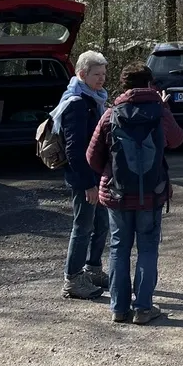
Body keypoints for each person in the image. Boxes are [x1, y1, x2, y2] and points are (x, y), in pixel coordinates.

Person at [86, 63, 183, 325]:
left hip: (117, 194)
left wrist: (109, 172)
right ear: (151, 84)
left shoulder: (111, 114)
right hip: (152, 194)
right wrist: (164, 108)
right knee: (148, 249)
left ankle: (119, 308)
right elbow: (177, 140)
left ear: (124, 85)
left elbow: (91, 156)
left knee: (119, 249)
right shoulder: (159, 113)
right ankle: (143, 308)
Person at [58, 50, 111, 300]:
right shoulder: (77, 104)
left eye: (103, 74)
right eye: (96, 75)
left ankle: (93, 269)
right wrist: (88, 184)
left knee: (101, 224)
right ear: (82, 74)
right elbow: (75, 150)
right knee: (83, 227)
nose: (101, 79)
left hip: (98, 175)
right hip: (85, 179)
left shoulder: (96, 99)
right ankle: (73, 279)